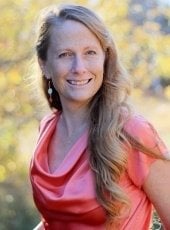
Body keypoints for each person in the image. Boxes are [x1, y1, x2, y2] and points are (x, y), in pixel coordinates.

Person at [30, 4, 170, 230]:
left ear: (105, 58)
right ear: (44, 64)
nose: (79, 67)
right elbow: (55, 221)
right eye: (65, 55)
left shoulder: (132, 131)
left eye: (90, 53)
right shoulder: (47, 128)